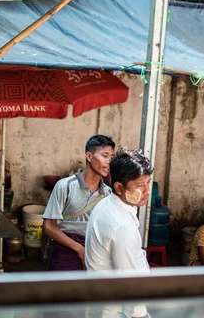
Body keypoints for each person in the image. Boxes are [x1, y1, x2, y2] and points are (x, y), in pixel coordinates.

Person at [85, 148, 154, 318]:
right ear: (118, 187)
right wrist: (141, 315)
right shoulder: (121, 226)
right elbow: (129, 282)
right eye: (139, 185)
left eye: (148, 182)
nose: (147, 190)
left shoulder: (107, 205)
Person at [42, 135, 115, 271]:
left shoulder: (108, 194)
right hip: (65, 250)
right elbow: (49, 226)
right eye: (105, 155)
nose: (109, 161)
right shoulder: (65, 186)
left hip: (94, 252)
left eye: (111, 157)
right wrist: (79, 249)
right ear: (89, 156)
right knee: (62, 291)